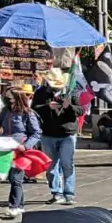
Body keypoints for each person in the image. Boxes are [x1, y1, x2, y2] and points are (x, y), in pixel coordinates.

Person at [32, 68, 81, 205]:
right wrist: (48, 107)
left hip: (67, 133)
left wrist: (69, 106)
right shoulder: (41, 93)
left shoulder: (71, 92)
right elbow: (33, 109)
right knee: (51, 165)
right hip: (48, 134)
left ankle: (69, 193)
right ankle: (56, 192)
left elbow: (81, 110)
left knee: (67, 163)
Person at [0, 85, 41, 220]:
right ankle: (20, 205)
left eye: (11, 98)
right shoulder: (5, 111)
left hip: (22, 151)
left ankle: (13, 206)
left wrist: (26, 146)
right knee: (14, 179)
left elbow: (36, 133)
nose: (9, 101)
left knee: (16, 178)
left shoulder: (28, 113)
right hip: (8, 149)